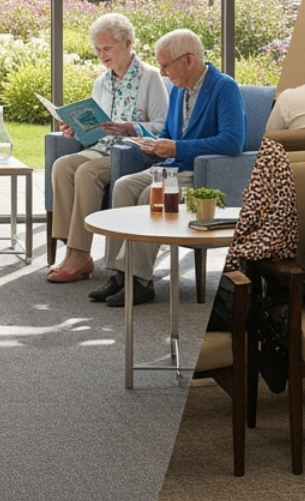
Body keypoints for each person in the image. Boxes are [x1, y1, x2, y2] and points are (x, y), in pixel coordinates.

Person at [91, 29, 246, 307]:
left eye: (165, 65)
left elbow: (232, 142)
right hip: (172, 167)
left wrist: (176, 148)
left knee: (151, 194)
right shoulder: (178, 90)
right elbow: (170, 133)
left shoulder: (224, 88)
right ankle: (120, 273)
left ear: (188, 60)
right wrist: (152, 143)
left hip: (199, 172)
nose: (162, 72)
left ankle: (140, 281)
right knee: (124, 186)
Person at [48, 12, 170, 283]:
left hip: (133, 151)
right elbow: (96, 126)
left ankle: (80, 255)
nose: (101, 55)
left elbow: (163, 126)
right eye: (97, 50)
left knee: (87, 172)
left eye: (107, 48)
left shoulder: (150, 78)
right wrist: (75, 128)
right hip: (102, 148)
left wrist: (130, 127)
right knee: (62, 166)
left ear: (127, 44)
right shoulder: (102, 81)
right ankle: (72, 250)